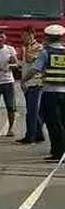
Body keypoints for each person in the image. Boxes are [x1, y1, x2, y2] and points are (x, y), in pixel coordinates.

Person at [23, 24, 65, 162]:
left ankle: (58, 153)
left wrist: (24, 80)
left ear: (47, 37)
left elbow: (35, 69)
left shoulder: (46, 52)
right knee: (63, 123)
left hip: (50, 93)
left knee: (53, 124)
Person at [18, 27, 45, 145]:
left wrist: (26, 48)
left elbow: (30, 60)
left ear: (31, 35)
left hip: (36, 83)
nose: (22, 38)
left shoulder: (38, 47)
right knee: (33, 110)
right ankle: (39, 134)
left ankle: (30, 136)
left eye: (24, 36)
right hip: (28, 83)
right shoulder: (25, 47)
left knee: (32, 112)